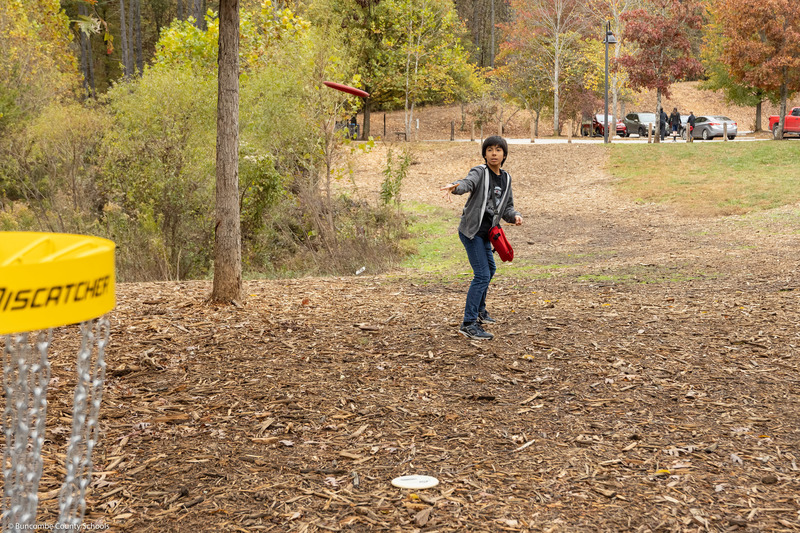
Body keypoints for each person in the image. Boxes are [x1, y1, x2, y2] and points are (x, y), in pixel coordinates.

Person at [439, 136, 523, 340]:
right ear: (484, 154)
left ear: (504, 154)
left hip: (488, 234)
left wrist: (515, 216)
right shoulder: (480, 171)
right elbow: (467, 183)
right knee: (482, 274)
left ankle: (479, 311)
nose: (494, 153)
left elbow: (507, 206)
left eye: (498, 150)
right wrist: (455, 187)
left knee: (490, 269)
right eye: (490, 150)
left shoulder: (506, 178)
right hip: (471, 232)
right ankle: (468, 323)